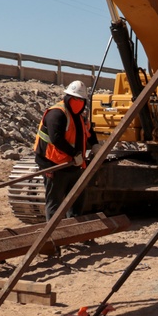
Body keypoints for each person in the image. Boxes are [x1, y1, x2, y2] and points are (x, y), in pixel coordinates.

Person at [34, 80, 93, 220]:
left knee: (76, 203)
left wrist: (95, 145)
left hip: (74, 165)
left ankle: (73, 233)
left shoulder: (79, 117)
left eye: (81, 100)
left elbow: (88, 133)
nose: (78, 103)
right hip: (55, 165)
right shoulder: (57, 114)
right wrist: (74, 154)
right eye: (75, 99)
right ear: (67, 98)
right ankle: (54, 238)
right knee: (55, 204)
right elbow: (56, 139)